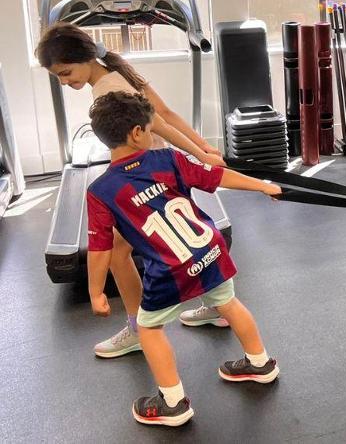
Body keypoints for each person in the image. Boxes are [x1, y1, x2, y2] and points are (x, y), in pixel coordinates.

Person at [87, 91, 282, 427]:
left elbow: (100, 247)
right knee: (229, 304)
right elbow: (218, 177)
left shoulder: (101, 190)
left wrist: (95, 292)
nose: (153, 135)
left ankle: (172, 403)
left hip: (169, 270)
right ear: (137, 133)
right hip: (209, 249)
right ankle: (260, 363)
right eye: (151, 129)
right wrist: (263, 186)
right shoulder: (168, 159)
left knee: (148, 328)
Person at [36, 22, 230, 359]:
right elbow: (164, 114)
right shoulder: (118, 70)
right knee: (185, 236)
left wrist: (202, 155)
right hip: (159, 171)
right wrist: (203, 148)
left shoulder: (107, 90)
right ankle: (218, 306)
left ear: (85, 57)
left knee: (116, 251)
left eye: (65, 73)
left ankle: (140, 330)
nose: (64, 82)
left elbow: (159, 123)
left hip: (144, 177)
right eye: (58, 77)